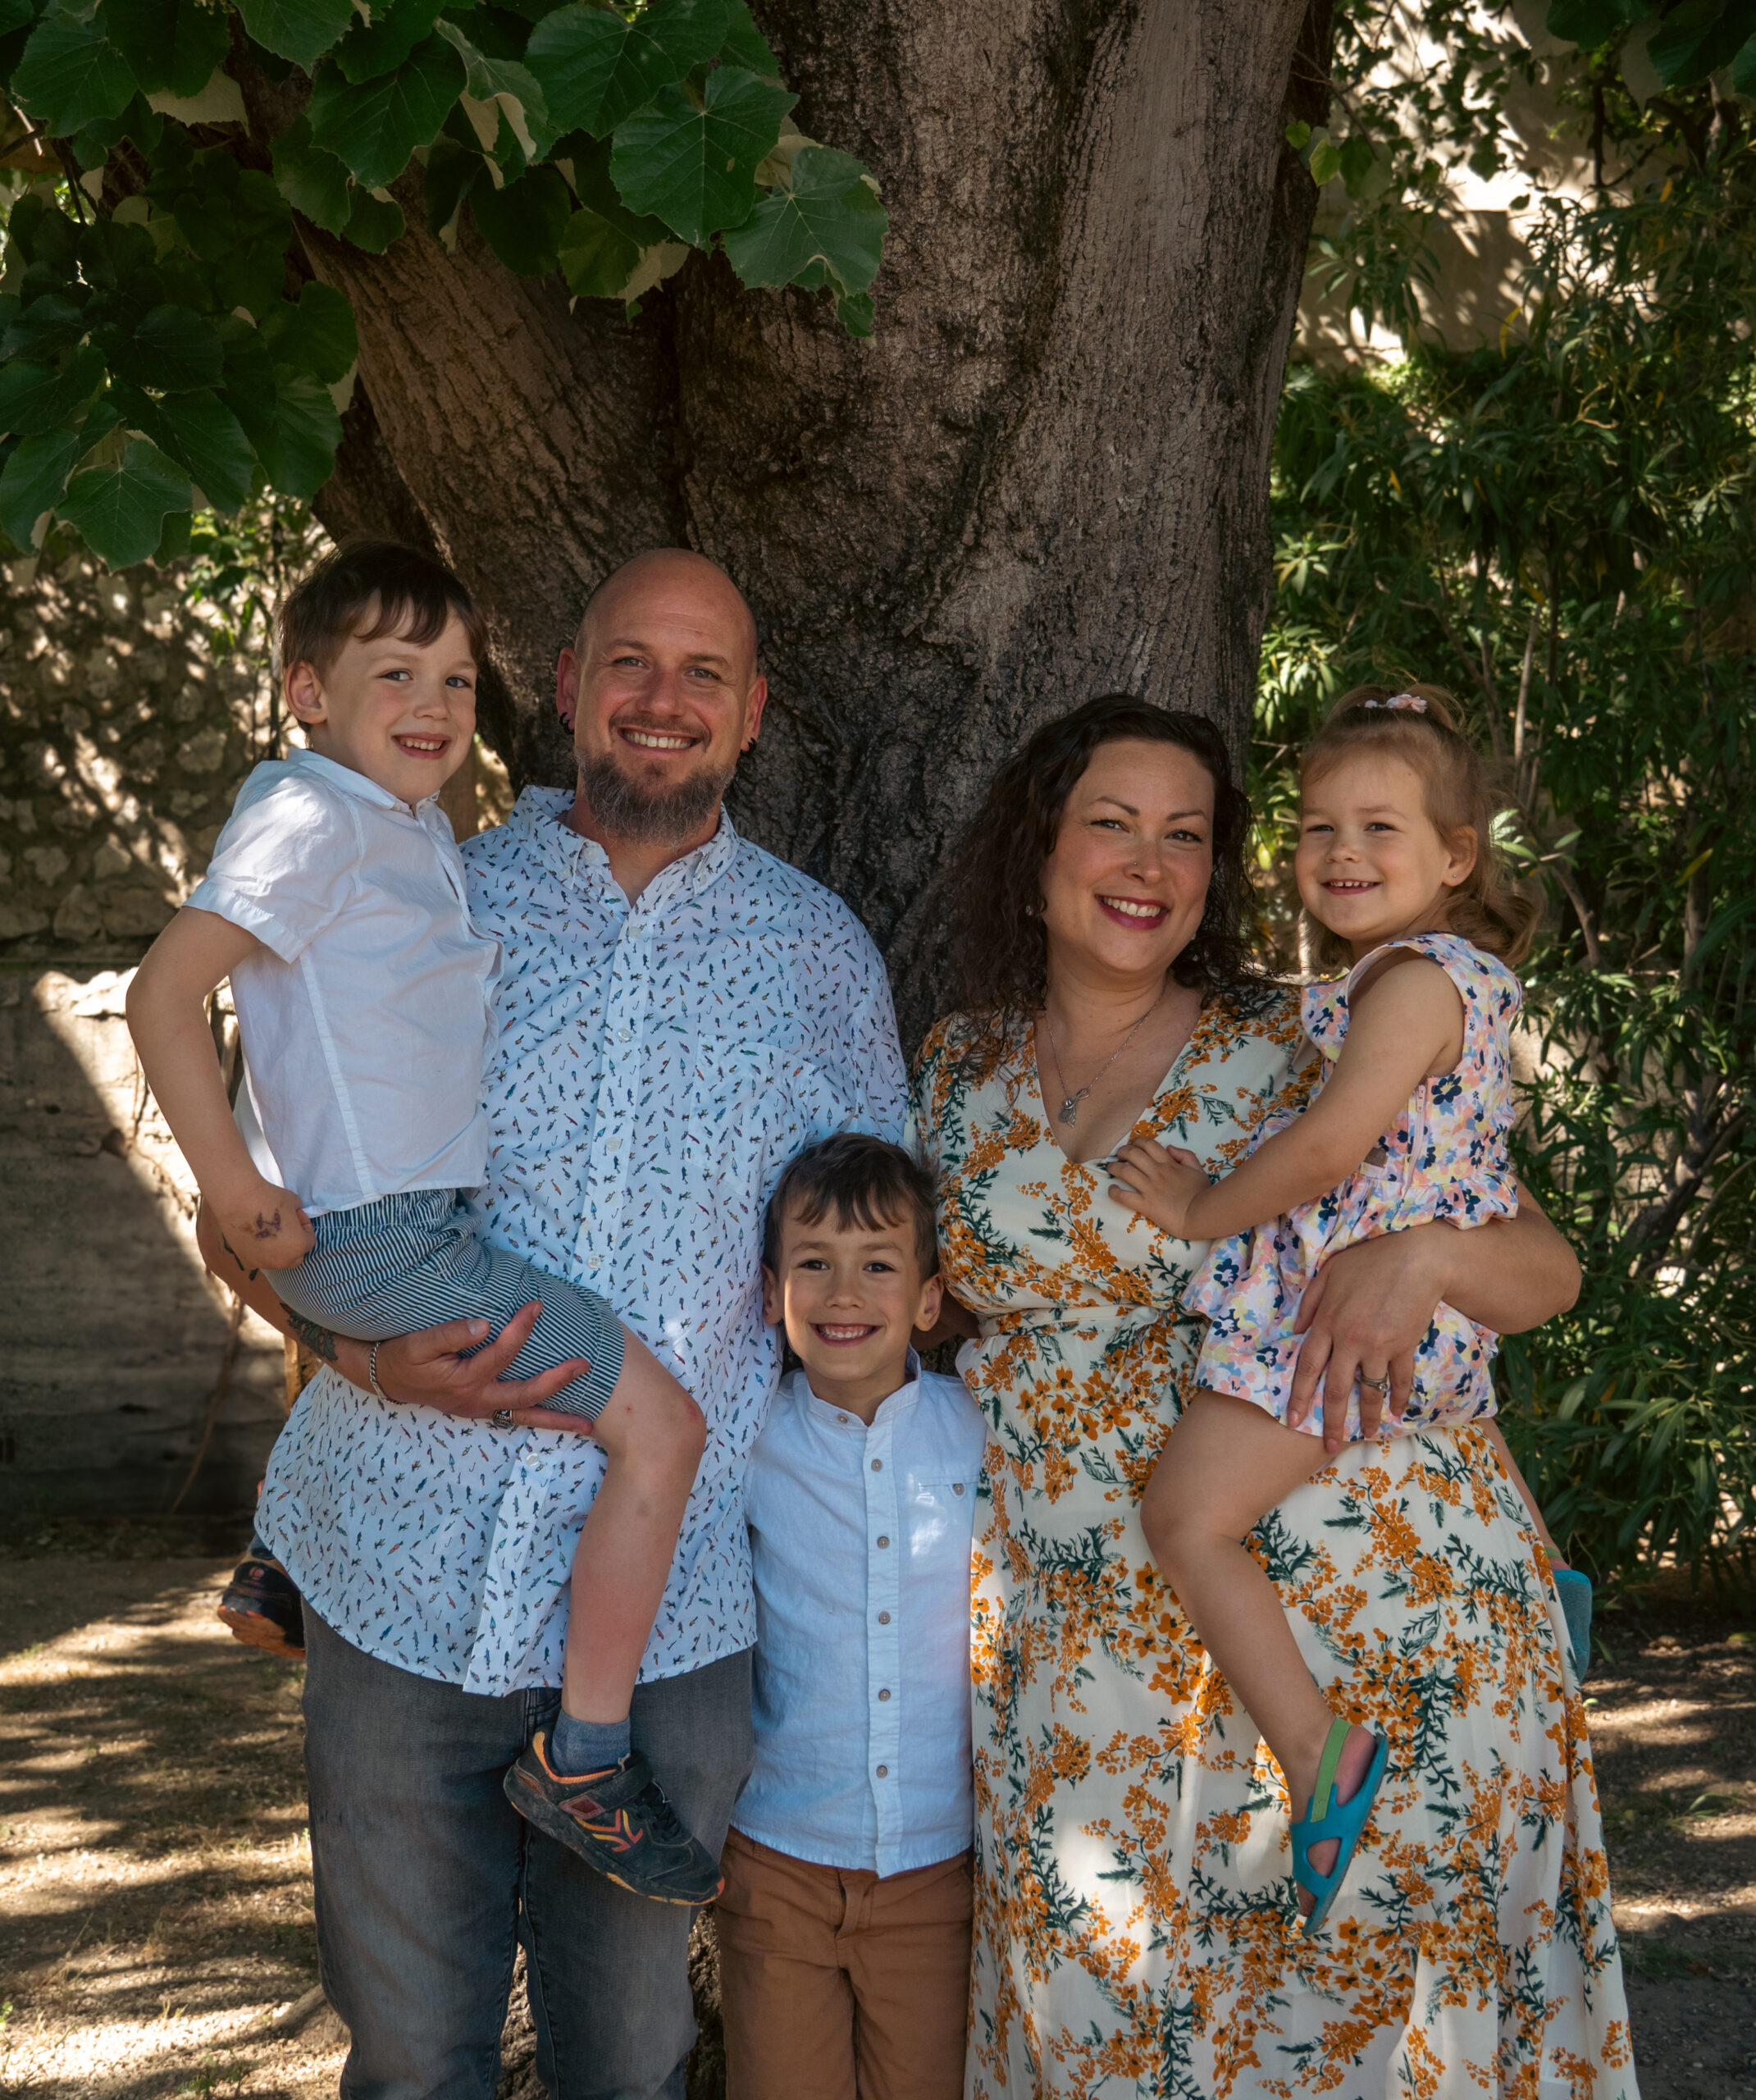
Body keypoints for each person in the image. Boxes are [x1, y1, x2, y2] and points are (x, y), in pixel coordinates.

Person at [199, 547, 909, 2099]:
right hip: (397, 1563)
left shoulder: (820, 961)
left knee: (632, 2060)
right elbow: (249, 1204)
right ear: (572, 686)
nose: (663, 703)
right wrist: (357, 1353)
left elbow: (871, 1285)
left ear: (752, 714)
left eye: (702, 675)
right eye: (629, 665)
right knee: (407, 2060)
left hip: (676, 1622)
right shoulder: (423, 889)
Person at [912, 694, 1635, 2097]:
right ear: (1038, 848)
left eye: (1185, 835)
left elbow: (1540, 1266)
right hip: (1063, 1627)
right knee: (1103, 2010)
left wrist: (1423, 1256)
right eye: (1111, 823)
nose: (1147, 861)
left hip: (1320, 1594)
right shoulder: (956, 1069)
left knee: (1333, 2026)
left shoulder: (1297, 1041)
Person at [130, 541, 723, 1902]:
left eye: (456, 679)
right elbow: (168, 994)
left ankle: (286, 1561)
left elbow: (317, 1028)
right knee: (662, 1427)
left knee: (566, 1411)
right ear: (303, 689)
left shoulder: (404, 832)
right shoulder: (310, 817)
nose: (436, 703)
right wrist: (235, 1185)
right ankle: (587, 1756)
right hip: (390, 1239)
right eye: (394, 673)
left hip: (400, 1224)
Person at [1109, 684, 1590, 1930]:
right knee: (1463, 1425)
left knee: (1186, 1517)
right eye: (1320, 828)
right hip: (1431, 1326)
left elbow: (1329, 1151)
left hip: (1344, 1305)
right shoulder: (1448, 985)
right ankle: (1551, 1583)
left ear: (1456, 857)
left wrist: (1203, 1208)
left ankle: (1322, 1755)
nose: (1343, 853)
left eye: (1381, 829)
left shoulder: (1412, 985)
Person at [715, 1133, 983, 2100]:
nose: (842, 1294)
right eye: (812, 1265)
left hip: (935, 1869)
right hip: (777, 1862)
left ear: (925, 1299)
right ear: (769, 1290)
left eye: (876, 1265)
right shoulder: (746, 1438)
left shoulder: (980, 1428)